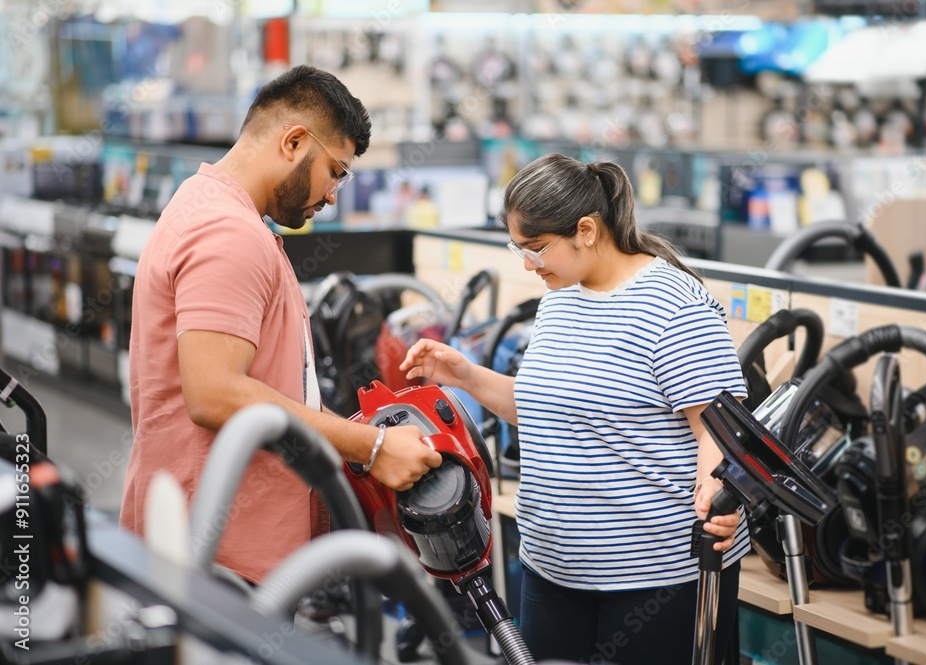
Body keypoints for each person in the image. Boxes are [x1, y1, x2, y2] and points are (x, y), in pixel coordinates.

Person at [401, 153, 750, 665]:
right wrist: (464, 375)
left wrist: (718, 488)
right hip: (552, 568)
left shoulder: (673, 304)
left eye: (537, 248)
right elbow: (546, 410)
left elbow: (720, 428)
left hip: (653, 579)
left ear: (586, 229)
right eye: (518, 249)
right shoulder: (560, 299)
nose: (528, 264)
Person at [120, 65, 441, 584]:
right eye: (336, 171)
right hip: (216, 553)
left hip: (212, 539)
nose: (334, 195)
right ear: (294, 141)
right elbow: (214, 393)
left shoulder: (211, 206)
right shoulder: (229, 232)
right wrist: (372, 447)